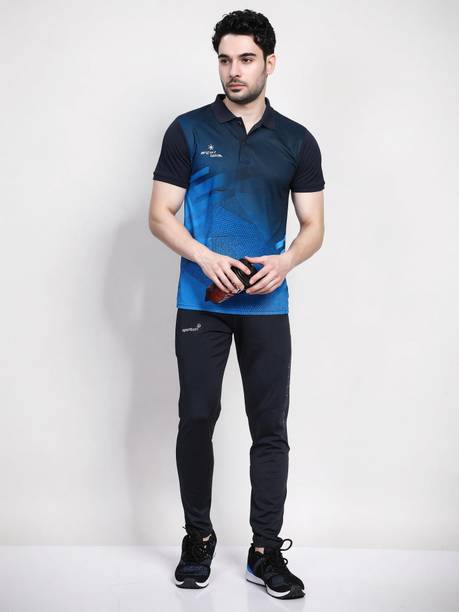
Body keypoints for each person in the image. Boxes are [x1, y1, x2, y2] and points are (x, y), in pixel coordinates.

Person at [148, 9, 325, 600]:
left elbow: (313, 226)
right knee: (197, 418)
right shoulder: (188, 130)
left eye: (246, 58)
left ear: (270, 62)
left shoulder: (296, 140)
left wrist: (286, 261)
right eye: (225, 59)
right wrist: (203, 256)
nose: (234, 71)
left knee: (269, 428)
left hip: (267, 307)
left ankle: (265, 551)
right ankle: (198, 539)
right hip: (200, 303)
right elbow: (159, 215)